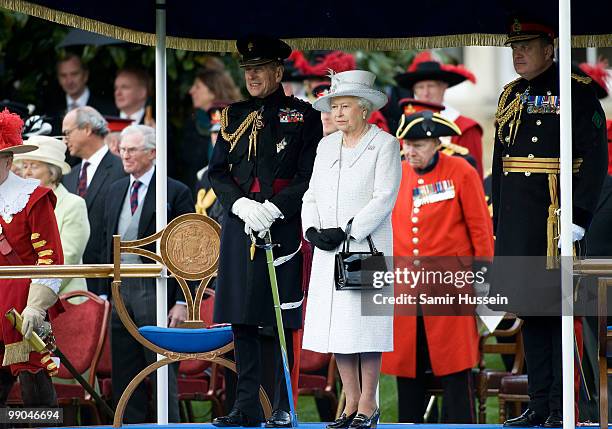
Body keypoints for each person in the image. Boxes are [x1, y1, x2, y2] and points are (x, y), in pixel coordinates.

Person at [491, 20, 608, 427]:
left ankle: (563, 408)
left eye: (526, 46)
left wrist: (579, 219)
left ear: (549, 47)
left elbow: (594, 162)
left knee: (556, 314)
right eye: (513, 47)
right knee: (530, 313)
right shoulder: (511, 94)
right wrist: (498, 225)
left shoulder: (576, 90)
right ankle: (539, 403)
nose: (517, 54)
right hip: (518, 220)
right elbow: (500, 165)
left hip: (553, 215)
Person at [208, 35, 322, 428]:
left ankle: (280, 404)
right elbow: (217, 172)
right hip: (241, 223)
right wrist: (240, 205)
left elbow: (308, 175)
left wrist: (275, 208)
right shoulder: (232, 116)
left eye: (260, 69)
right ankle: (246, 408)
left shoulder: (303, 115)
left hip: (282, 223)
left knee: (278, 317)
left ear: (277, 71)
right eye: (248, 70)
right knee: (242, 317)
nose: (253, 76)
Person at [302, 69, 401, 429]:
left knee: (366, 328)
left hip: (367, 247)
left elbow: (384, 197)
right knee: (338, 328)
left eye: (344, 106)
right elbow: (310, 193)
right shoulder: (325, 145)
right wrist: (312, 229)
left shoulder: (385, 144)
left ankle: (368, 403)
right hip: (328, 250)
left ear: (364, 109)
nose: (337, 113)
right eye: (334, 107)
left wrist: (347, 231)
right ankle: (349, 402)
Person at [381, 110, 493, 423]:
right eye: (406, 144)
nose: (410, 151)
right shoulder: (395, 174)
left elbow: (480, 229)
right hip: (405, 289)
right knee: (408, 371)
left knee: (456, 372)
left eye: (418, 144)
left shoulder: (461, 171)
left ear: (436, 143)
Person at [103, 124, 194, 423]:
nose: (125, 155)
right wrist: (104, 291)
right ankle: (129, 424)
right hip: (120, 287)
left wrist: (182, 301)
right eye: (122, 150)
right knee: (125, 370)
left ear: (152, 153)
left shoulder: (175, 191)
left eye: (132, 150)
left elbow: (189, 249)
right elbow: (104, 241)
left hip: (157, 287)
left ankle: (168, 425)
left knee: (161, 370)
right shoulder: (115, 189)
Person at [0, 108, 64, 410]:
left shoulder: (33, 197)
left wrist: (36, 307)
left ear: (8, 161)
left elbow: (51, 258)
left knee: (36, 392)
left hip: (22, 307)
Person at [62, 106, 126, 297]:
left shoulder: (121, 169)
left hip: (109, 283)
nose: (65, 139)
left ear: (88, 129)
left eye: (67, 133)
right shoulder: (69, 176)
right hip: (73, 283)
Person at [14, 135, 90, 295]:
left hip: (63, 300)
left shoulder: (73, 204)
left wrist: (37, 295)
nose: (26, 172)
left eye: (34, 166)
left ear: (52, 172)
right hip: (22, 296)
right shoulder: (18, 204)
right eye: (25, 165)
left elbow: (69, 258)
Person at [395, 51, 484, 177]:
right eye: (420, 87)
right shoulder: (407, 126)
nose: (425, 93)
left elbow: (475, 176)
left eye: (431, 86)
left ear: (443, 87)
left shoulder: (467, 128)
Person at [183, 69, 242, 191]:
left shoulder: (237, 118)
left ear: (213, 91)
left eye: (198, 87)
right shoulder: (194, 122)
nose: (191, 91)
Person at [45, 53, 115, 142]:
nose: (69, 81)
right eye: (63, 75)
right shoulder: (51, 111)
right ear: (58, 78)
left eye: (74, 74)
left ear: (85, 75)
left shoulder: (107, 108)